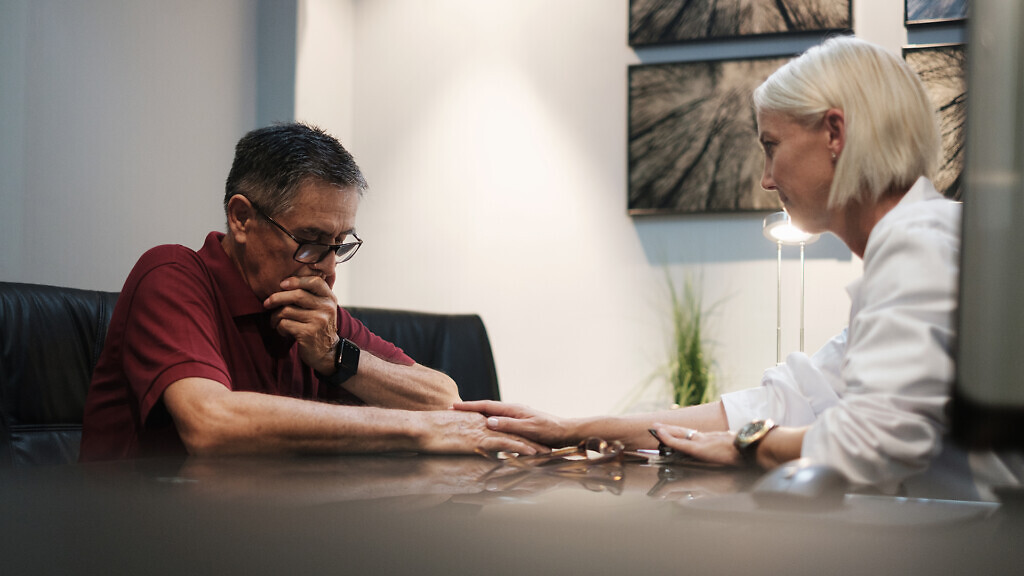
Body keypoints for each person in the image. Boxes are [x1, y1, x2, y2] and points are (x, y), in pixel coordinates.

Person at [458, 36, 962, 492]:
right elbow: (782, 401)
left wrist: (750, 445)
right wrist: (575, 428)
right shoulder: (924, 243)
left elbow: (875, 439)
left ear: (834, 132)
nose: (766, 179)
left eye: (772, 146)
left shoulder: (918, 247)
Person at [80, 122, 541, 461]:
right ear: (242, 218)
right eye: (311, 241)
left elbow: (444, 397)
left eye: (339, 245)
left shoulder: (316, 315)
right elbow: (212, 423)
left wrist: (340, 357)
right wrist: (419, 431)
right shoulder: (173, 275)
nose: (327, 267)